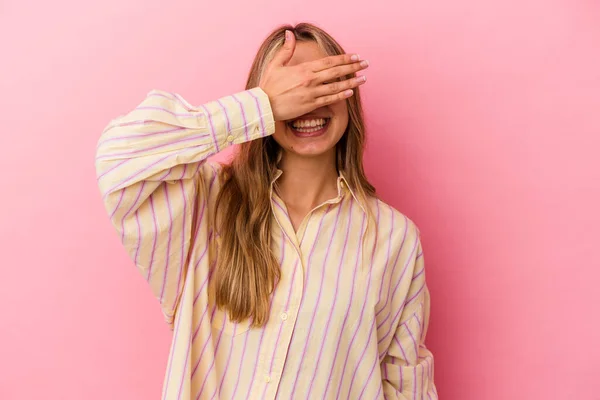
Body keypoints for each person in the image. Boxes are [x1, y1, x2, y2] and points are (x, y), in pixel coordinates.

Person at [96, 22, 437, 400]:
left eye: (322, 83)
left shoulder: (394, 238)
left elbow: (405, 386)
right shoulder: (204, 206)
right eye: (293, 87)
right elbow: (118, 159)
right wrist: (262, 107)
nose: (308, 102)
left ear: (349, 96)